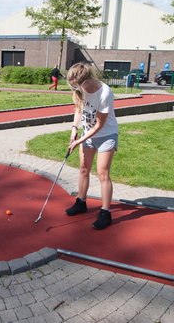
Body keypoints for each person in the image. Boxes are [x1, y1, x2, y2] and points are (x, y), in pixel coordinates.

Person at [64, 62, 118, 230]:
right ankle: (81, 202)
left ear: (86, 80)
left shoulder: (105, 93)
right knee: (83, 169)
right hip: (87, 134)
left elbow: (99, 126)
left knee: (102, 173)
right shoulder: (81, 90)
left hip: (105, 135)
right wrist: (74, 129)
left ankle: (105, 213)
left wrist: (79, 141)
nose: (76, 89)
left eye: (77, 86)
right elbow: (79, 109)